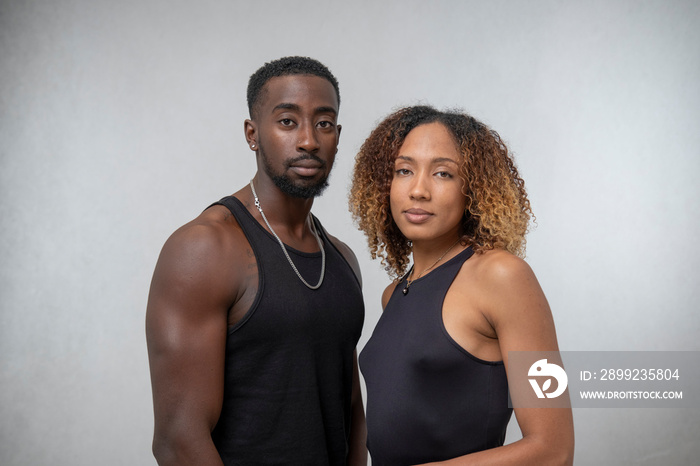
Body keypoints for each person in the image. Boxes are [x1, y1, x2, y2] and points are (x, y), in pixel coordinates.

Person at [146, 56, 366, 466]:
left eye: (323, 123)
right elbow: (178, 439)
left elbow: (349, 408)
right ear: (252, 134)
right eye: (287, 122)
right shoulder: (207, 247)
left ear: (337, 134)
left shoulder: (341, 259)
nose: (308, 141)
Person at [349, 106, 574, 465]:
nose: (418, 190)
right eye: (403, 171)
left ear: (474, 188)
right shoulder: (393, 294)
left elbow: (553, 449)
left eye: (443, 173)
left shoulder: (502, 276)